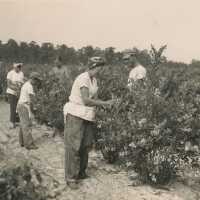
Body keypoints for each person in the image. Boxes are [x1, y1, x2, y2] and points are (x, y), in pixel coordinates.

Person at [63, 57, 115, 189]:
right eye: (99, 67)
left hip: (87, 115)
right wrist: (105, 103)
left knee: (86, 145)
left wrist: (106, 104)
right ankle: (70, 177)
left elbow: (95, 99)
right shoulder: (83, 78)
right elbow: (86, 100)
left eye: (101, 68)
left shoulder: (94, 80)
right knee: (74, 146)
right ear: (93, 66)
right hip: (76, 113)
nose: (100, 70)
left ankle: (81, 172)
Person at [17, 72, 42, 150]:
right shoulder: (29, 86)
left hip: (21, 105)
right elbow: (32, 100)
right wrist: (34, 109)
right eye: (37, 80)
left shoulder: (26, 84)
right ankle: (29, 144)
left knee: (22, 125)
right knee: (26, 125)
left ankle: (22, 142)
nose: (37, 82)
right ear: (33, 79)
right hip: (23, 106)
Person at [6, 63, 24, 129]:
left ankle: (17, 121)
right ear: (14, 67)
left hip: (19, 92)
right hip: (11, 92)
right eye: (18, 67)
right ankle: (12, 123)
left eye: (20, 67)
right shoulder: (10, 73)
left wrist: (19, 89)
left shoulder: (21, 73)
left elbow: (22, 82)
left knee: (18, 107)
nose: (19, 68)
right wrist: (15, 89)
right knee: (13, 107)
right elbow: (8, 84)